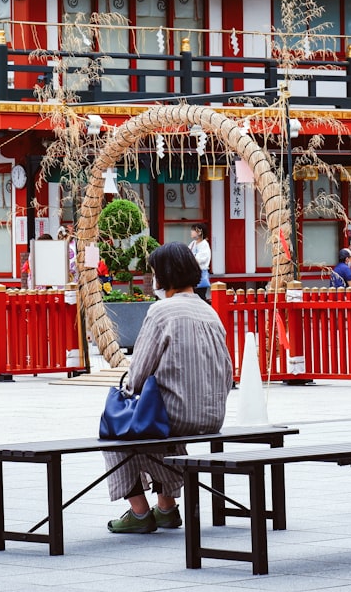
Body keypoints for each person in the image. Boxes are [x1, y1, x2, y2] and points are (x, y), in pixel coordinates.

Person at [103, 241, 233, 534]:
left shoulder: (161, 312)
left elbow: (138, 374)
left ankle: (139, 512)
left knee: (116, 428)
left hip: (178, 415)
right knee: (157, 429)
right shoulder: (210, 312)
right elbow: (228, 370)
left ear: (163, 275)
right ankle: (166, 508)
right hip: (213, 414)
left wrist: (127, 389)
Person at [188, 223, 211, 301]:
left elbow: (200, 259)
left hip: (200, 274)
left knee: (200, 296)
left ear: (200, 232)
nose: (191, 232)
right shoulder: (192, 243)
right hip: (191, 274)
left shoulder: (204, 244)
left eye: (193, 230)